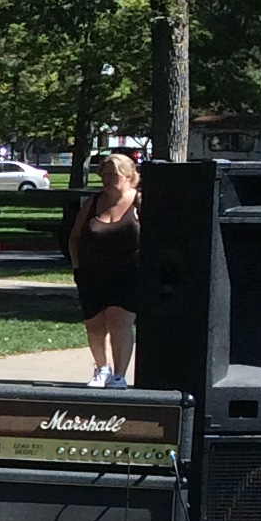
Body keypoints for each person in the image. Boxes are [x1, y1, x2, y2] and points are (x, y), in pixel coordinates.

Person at [68, 151, 143, 386]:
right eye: (106, 174)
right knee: (94, 326)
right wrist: (77, 266)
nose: (109, 179)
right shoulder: (93, 202)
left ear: (130, 177)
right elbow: (75, 237)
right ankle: (102, 369)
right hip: (91, 274)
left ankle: (119, 376)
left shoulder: (139, 201)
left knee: (119, 322)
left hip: (128, 275)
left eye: (115, 175)